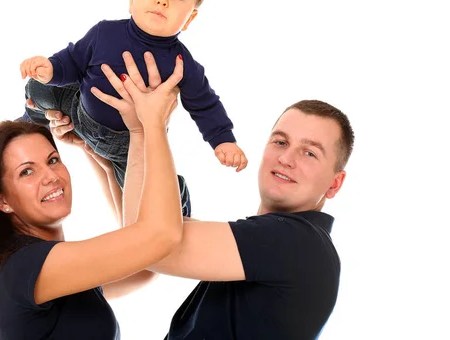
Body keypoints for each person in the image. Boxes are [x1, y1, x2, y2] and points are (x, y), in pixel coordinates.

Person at [47, 59, 355, 339]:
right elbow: (141, 238)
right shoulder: (275, 242)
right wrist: (99, 150)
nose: (287, 158)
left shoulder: (296, 243)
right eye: (280, 141)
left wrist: (148, 127)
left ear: (334, 184)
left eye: (310, 152)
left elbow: (149, 244)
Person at [0, 55, 185, 339]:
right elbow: (159, 237)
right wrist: (151, 125)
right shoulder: (28, 268)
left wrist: (98, 152)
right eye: (26, 172)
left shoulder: (52, 271)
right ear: (2, 201)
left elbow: (145, 267)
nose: (50, 176)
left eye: (52, 160)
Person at [19, 0, 248, 218]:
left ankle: (179, 200)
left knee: (145, 200)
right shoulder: (104, 32)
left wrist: (223, 140)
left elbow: (205, 104)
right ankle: (26, 124)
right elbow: (73, 60)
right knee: (37, 88)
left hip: (126, 146)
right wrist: (50, 68)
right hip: (79, 111)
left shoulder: (181, 64)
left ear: (190, 18)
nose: (162, 0)